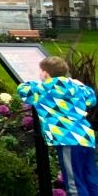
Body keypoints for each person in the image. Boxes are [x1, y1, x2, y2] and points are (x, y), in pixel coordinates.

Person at [18, 56, 98, 196]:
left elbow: (22, 90)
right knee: (90, 179)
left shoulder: (43, 89)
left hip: (67, 138)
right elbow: (92, 99)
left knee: (74, 183)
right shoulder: (76, 87)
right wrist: (79, 84)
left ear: (45, 73)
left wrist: (42, 82)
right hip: (86, 137)